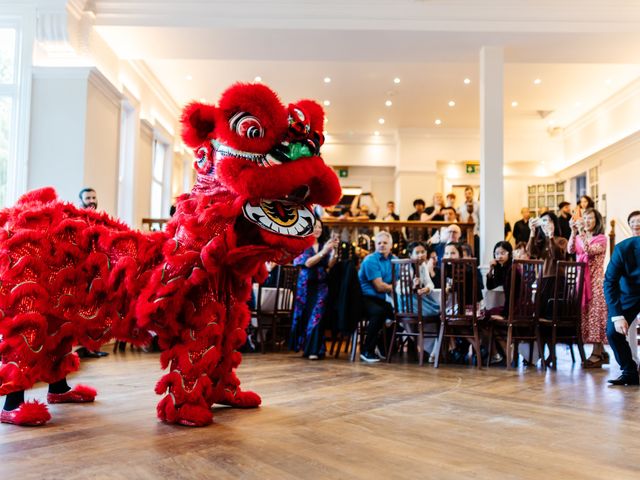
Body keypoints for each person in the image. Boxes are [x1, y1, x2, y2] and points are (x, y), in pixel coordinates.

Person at [289, 220, 338, 360]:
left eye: (319, 227)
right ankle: (307, 347)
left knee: (317, 315)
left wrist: (334, 252)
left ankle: (315, 349)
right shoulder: (301, 246)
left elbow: (329, 265)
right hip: (305, 287)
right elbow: (308, 263)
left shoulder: (324, 246)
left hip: (322, 285)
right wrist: (324, 252)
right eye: (314, 227)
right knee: (306, 315)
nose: (317, 229)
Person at [568, 208, 608, 367]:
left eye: (590, 218)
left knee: (596, 316)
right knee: (586, 316)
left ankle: (597, 354)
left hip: (596, 282)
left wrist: (581, 234)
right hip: (582, 281)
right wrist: (572, 232)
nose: (587, 220)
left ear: (597, 221)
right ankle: (601, 352)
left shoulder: (602, 239)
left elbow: (588, 250)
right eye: (584, 217)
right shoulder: (579, 236)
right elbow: (570, 249)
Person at [76, 188, 109, 359]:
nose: (91, 200)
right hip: (82, 271)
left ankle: (93, 346)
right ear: (81, 200)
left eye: (93, 197)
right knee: (84, 310)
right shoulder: (77, 219)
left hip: (98, 270)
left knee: (98, 309)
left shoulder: (101, 220)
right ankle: (85, 347)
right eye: (88, 198)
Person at [604, 235, 640, 386]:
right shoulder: (623, 248)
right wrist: (617, 316)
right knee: (613, 332)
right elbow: (610, 282)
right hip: (629, 294)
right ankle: (629, 372)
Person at [397, 242, 440, 359]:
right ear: (411, 255)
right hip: (407, 303)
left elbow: (430, 283)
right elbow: (398, 289)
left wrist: (426, 288)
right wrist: (412, 286)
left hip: (417, 301)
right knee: (437, 313)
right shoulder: (405, 266)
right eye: (417, 253)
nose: (420, 255)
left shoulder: (423, 266)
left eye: (423, 252)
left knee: (439, 312)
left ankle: (435, 350)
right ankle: (432, 350)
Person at [358, 231, 396, 363]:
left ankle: (383, 346)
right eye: (379, 243)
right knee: (379, 313)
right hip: (364, 298)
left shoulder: (394, 260)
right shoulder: (370, 260)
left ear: (391, 245)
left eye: (385, 243)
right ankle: (366, 350)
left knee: (397, 314)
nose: (382, 245)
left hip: (382, 299)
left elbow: (402, 280)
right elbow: (379, 287)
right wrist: (396, 287)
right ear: (375, 245)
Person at [527, 211, 567, 318]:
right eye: (543, 222)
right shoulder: (540, 241)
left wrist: (551, 236)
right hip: (542, 279)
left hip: (557, 279)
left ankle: (554, 334)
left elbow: (556, 254)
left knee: (553, 313)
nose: (546, 224)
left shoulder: (562, 240)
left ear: (554, 223)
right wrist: (532, 232)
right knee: (541, 312)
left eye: (548, 221)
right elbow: (530, 252)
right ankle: (541, 334)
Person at [486, 241, 514, 317]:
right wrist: (491, 269)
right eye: (497, 254)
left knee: (488, 313)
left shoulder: (512, 268)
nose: (499, 256)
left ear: (510, 253)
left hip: (512, 307)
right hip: (505, 304)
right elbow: (490, 286)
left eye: (503, 253)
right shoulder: (500, 267)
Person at [457, 187, 480, 254]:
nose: (467, 195)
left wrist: (479, 232)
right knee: (466, 249)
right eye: (466, 194)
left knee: (476, 250)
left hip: (475, 231)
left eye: (469, 193)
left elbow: (480, 218)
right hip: (464, 231)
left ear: (472, 194)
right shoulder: (461, 205)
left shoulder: (478, 204)